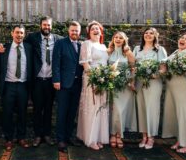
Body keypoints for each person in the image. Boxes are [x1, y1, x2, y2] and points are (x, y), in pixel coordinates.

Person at [25, 16, 63, 147]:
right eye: (44, 25)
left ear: (52, 26)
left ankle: (46, 135)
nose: (47, 27)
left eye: (49, 25)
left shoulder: (58, 39)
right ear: (40, 26)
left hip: (51, 81)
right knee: (37, 109)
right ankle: (37, 135)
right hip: (37, 81)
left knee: (48, 109)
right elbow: (18, 43)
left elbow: (71, 44)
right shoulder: (32, 38)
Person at [0, 25, 34, 150]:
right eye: (17, 32)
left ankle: (21, 138)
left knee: (22, 113)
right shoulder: (4, 48)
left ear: (24, 34)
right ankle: (8, 139)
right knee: (7, 113)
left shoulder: (29, 48)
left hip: (23, 85)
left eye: (21, 33)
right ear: (12, 33)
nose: (19, 35)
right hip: (9, 86)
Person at [76, 21, 110, 150]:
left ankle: (99, 137)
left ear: (101, 31)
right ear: (89, 32)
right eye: (93, 29)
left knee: (101, 108)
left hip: (103, 80)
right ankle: (90, 139)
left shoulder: (103, 46)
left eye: (98, 29)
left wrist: (105, 78)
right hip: (92, 79)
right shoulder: (86, 44)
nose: (96, 30)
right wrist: (95, 80)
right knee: (92, 107)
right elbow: (85, 64)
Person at [162, 33, 186, 154]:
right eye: (182, 38)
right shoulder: (177, 51)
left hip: (183, 85)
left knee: (184, 113)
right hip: (172, 84)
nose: (182, 40)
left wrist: (184, 69)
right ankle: (180, 140)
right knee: (176, 113)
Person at [53, 21, 84, 152]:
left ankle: (68, 137)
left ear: (80, 32)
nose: (74, 33)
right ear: (68, 31)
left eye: (76, 31)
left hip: (77, 84)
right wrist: (56, 80)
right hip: (63, 84)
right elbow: (56, 63)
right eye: (72, 30)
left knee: (72, 112)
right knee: (62, 112)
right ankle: (60, 140)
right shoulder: (60, 43)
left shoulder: (82, 45)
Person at [135, 27, 168, 150]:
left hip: (154, 82)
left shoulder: (160, 50)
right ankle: (144, 136)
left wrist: (153, 75)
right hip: (139, 82)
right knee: (142, 108)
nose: (148, 35)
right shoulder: (137, 49)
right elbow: (132, 66)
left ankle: (151, 137)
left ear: (155, 36)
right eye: (146, 33)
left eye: (151, 33)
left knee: (152, 109)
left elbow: (163, 68)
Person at [107, 31, 137, 149]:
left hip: (124, 86)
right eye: (116, 37)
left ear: (124, 40)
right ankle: (112, 134)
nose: (118, 39)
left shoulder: (128, 53)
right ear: (113, 39)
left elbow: (133, 68)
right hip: (111, 85)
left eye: (120, 38)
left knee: (120, 111)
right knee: (112, 111)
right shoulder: (108, 52)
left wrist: (131, 82)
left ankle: (119, 135)